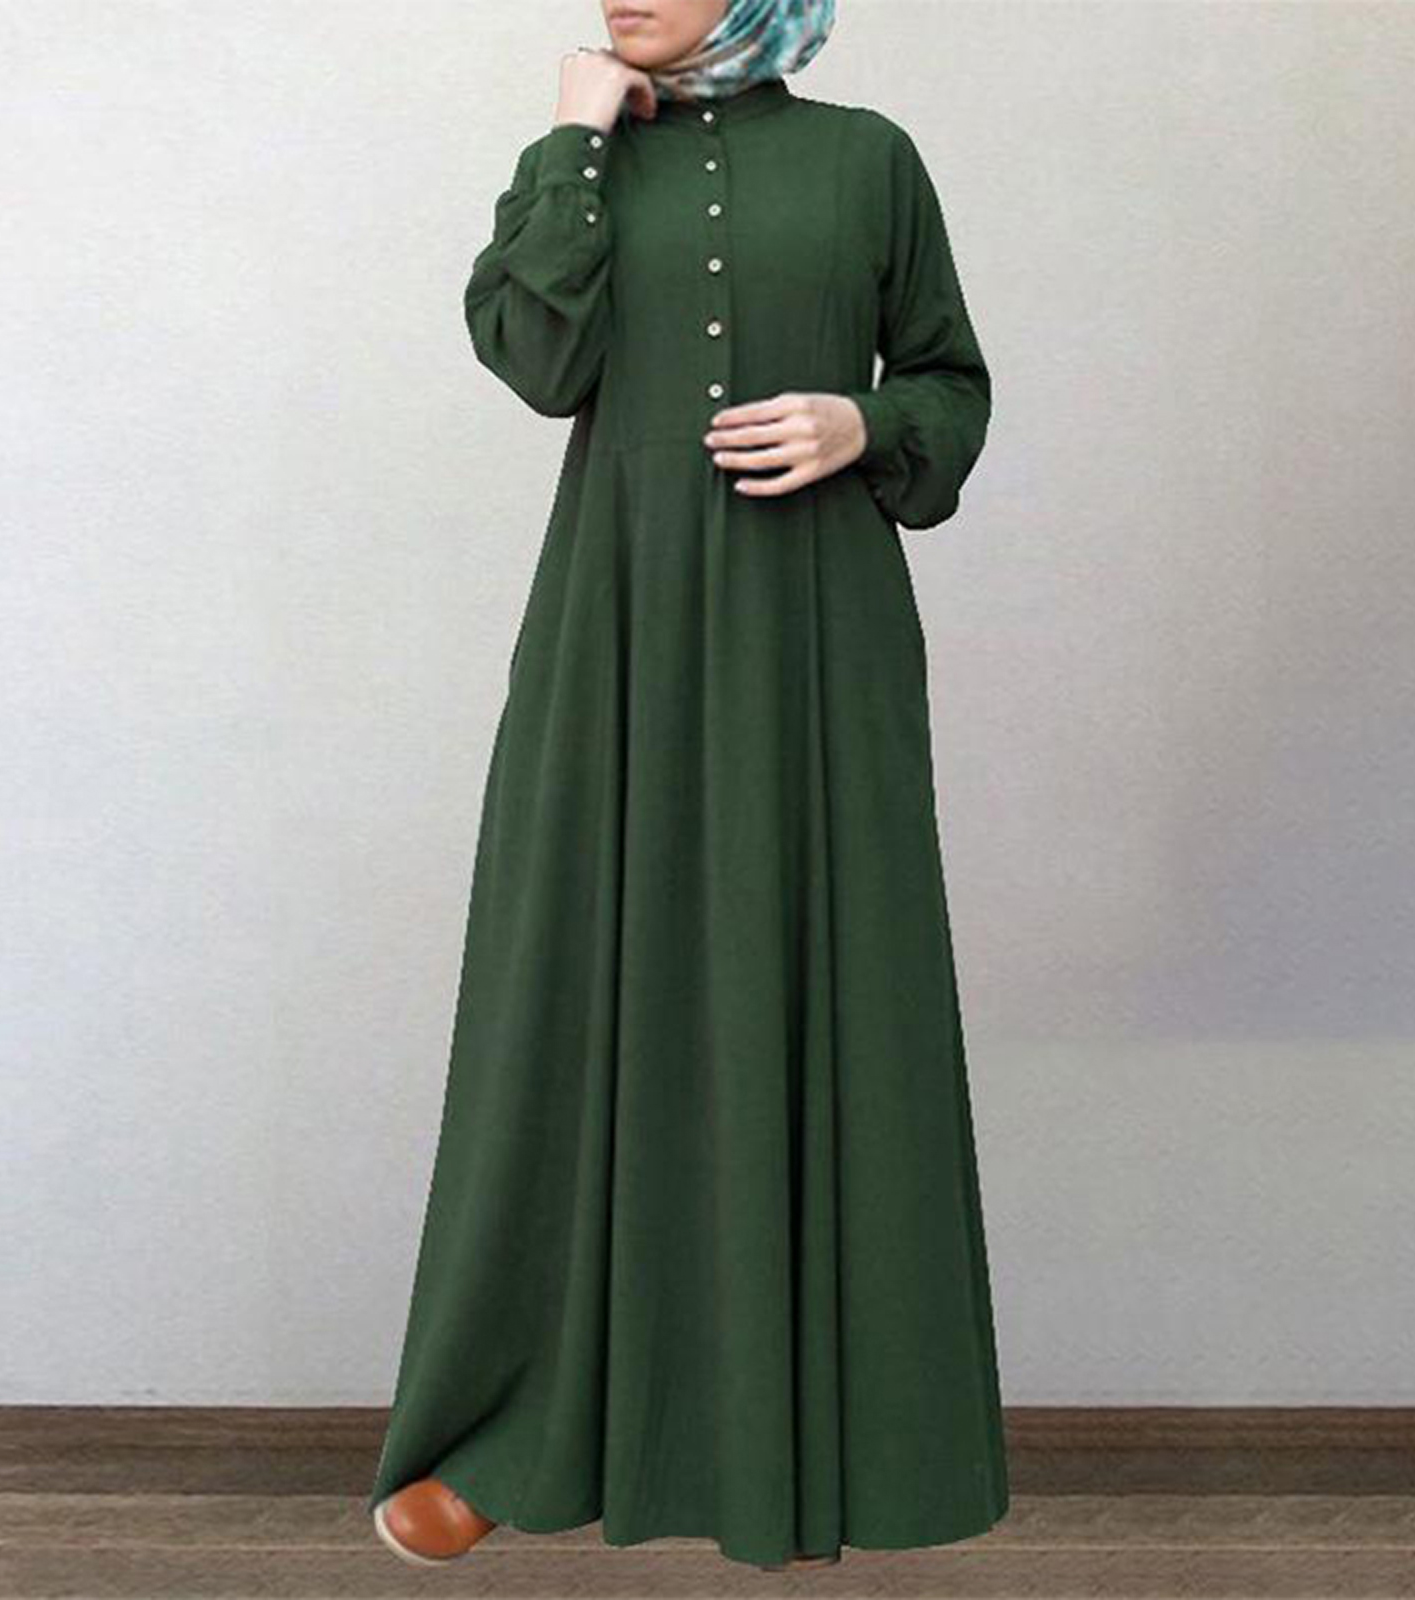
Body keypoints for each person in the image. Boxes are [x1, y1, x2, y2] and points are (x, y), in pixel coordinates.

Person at [368, 0, 1008, 1572]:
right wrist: (573, 139)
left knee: (832, 991)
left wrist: (866, 420)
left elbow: (951, 387)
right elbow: (538, 359)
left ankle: (833, 1450)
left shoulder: (870, 162)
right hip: (622, 626)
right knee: (579, 992)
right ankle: (519, 1438)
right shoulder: (578, 161)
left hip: (818, 637)